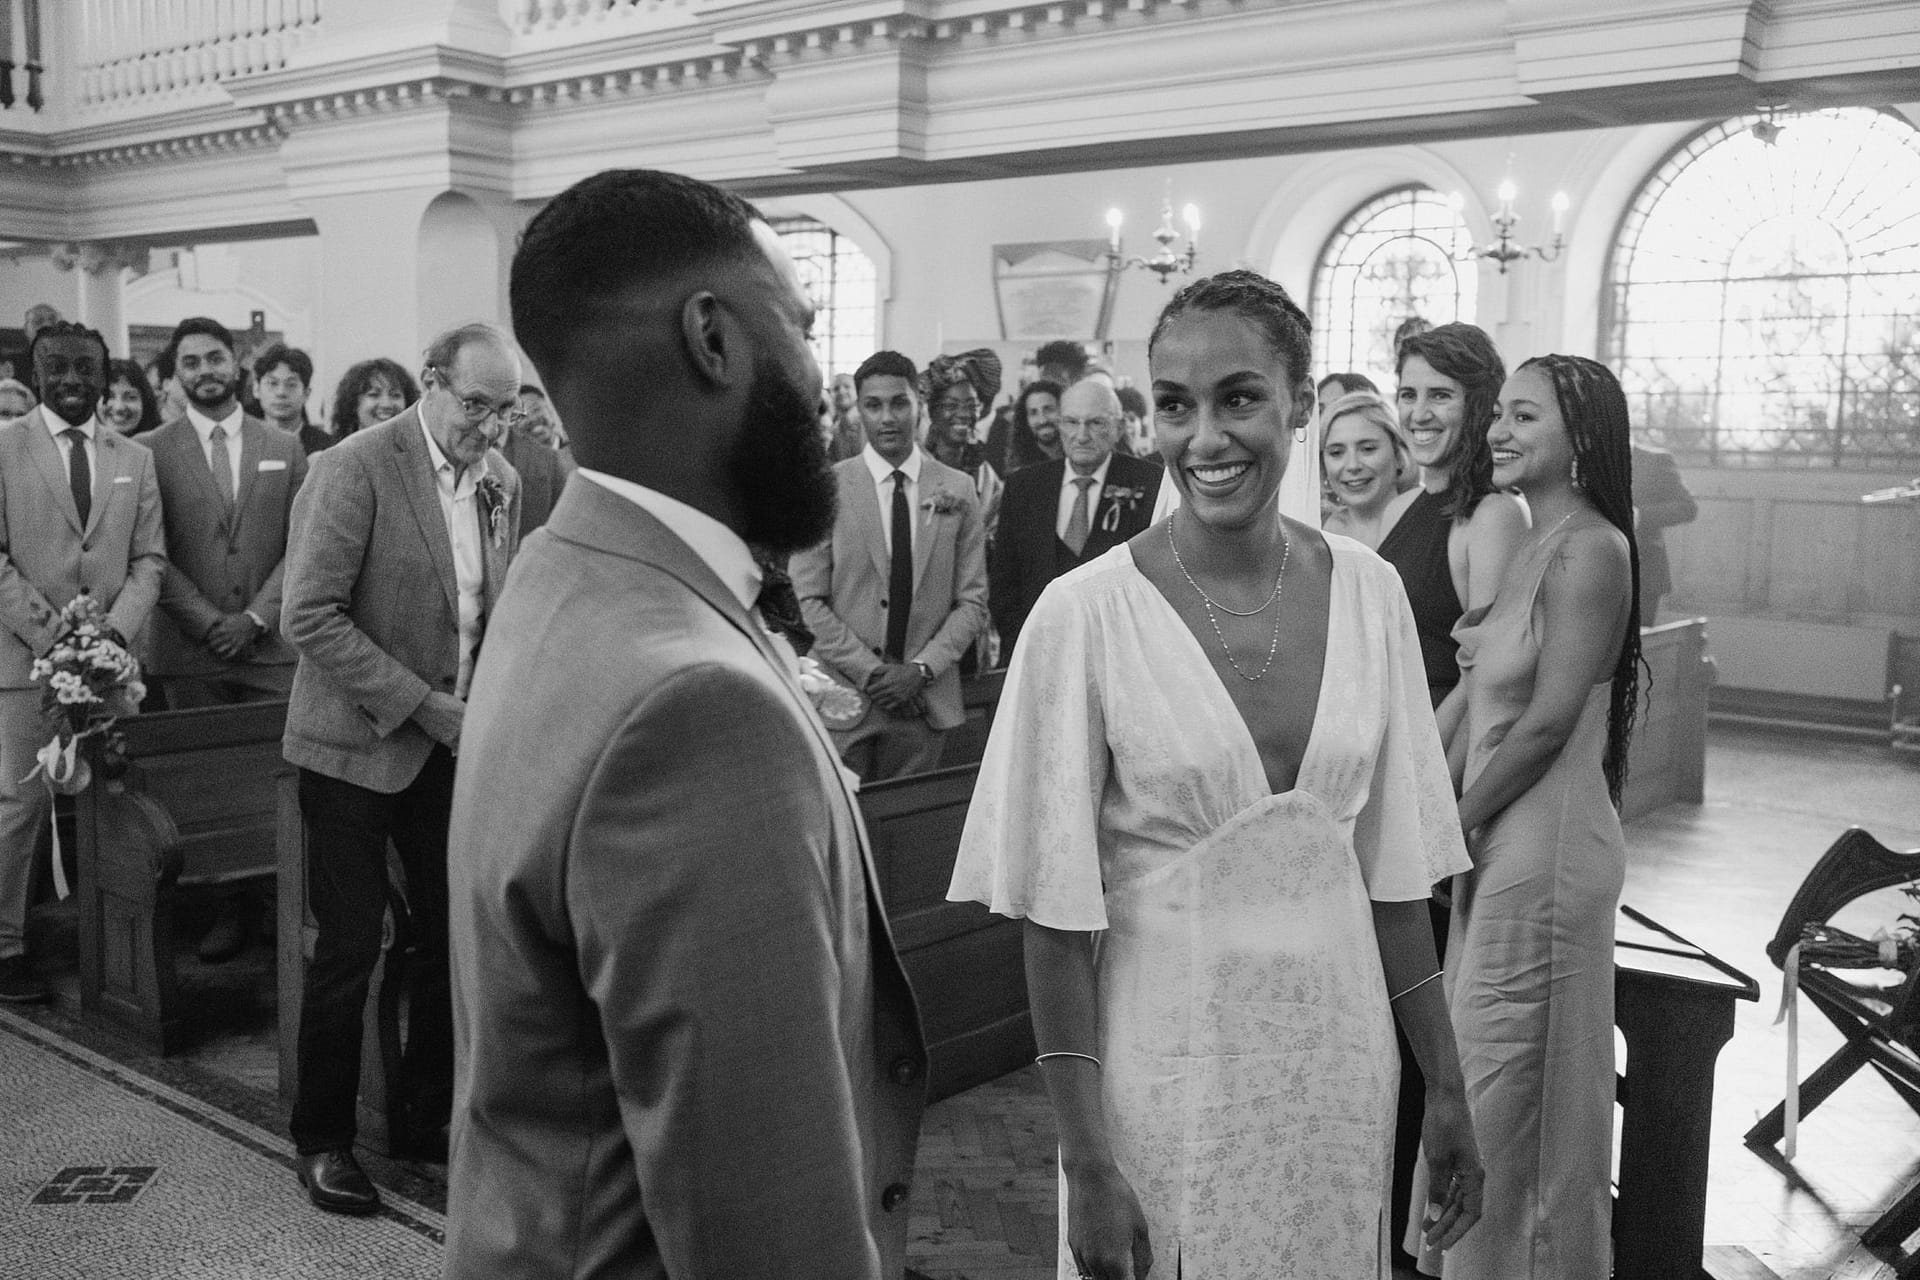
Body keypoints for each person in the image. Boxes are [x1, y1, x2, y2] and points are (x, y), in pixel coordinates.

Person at [949, 270, 1483, 1279]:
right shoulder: (1084, 613)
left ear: (1298, 401)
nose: (1204, 437)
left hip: (1339, 1069)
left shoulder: (1370, 594)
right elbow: (1056, 928)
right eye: (1176, 405)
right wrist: (1088, 1160)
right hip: (1163, 1076)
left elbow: (1398, 881)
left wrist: (1446, 1085)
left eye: (1238, 397)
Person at [444, 167, 925, 1280]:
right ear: (714, 337)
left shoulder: (562, 573)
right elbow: (769, 1233)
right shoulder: (694, 710)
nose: (828, 381)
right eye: (804, 330)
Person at [279, 322, 524, 1214]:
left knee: (447, 943)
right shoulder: (356, 465)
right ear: (431, 381)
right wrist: (427, 704)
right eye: (475, 405)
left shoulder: (503, 481)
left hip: (449, 749)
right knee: (347, 950)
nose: (490, 427)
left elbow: (486, 617)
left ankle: (424, 1119)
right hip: (351, 747)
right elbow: (308, 616)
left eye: (504, 411)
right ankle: (323, 1139)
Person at [1409, 354, 1641, 1279]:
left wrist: (1455, 818)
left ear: (1580, 439)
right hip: (1500, 840)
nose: (1499, 431)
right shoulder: (1535, 542)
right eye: (1499, 414)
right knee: (1484, 1080)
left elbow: (1546, 723)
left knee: (1518, 1095)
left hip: (1544, 847)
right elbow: (1479, 699)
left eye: (1525, 418)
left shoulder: (1594, 547)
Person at [0, 321, 165, 1004]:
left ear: (105, 376)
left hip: (111, 664)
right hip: (23, 660)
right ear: (36, 375)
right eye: (58, 368)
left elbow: (149, 559)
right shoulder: (5, 448)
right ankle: (5, 942)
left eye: (86, 370)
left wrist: (113, 639)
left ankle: (110, 940)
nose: (73, 381)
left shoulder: (134, 456)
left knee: (112, 795)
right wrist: (55, 640)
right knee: (20, 802)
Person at [792, 350, 988, 782]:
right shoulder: (829, 487)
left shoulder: (957, 489)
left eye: (899, 403)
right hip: (842, 697)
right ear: (859, 409)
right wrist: (874, 672)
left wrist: (920, 671)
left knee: (909, 836)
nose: (887, 418)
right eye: (873, 405)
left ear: (919, 404)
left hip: (924, 703)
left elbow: (972, 602)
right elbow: (808, 598)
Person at [1386, 324, 1529, 707]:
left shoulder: (1494, 515)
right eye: (1408, 395)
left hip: (1439, 736)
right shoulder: (1403, 506)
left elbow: (1483, 674)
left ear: (1478, 405)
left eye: (1440, 395)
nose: (1419, 413)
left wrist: (1425, 762)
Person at [990, 377, 1162, 657]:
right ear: (1059, 426)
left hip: (1123, 656)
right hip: (1038, 654)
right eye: (1071, 422)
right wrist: (1026, 647)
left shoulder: (1151, 483)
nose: (1081, 435)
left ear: (1119, 428)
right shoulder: (1024, 487)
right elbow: (1004, 584)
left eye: (1095, 423)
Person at [923, 348, 1007, 541]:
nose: (963, 414)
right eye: (951, 406)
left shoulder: (986, 477)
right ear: (933, 412)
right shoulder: (918, 469)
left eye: (971, 406)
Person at [1321, 390, 1415, 548]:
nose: (1353, 466)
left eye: (1368, 449)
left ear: (1399, 455)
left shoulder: (1430, 522)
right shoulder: (1312, 528)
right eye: (1336, 453)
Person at [988, 340, 1087, 475]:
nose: (1050, 392)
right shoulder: (1008, 424)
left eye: (1059, 387)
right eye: (1045, 382)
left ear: (1077, 382)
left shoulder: (1092, 425)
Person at [1631, 441, 1697, 622]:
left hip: (1643, 573)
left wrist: (1640, 515)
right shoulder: (1585, 459)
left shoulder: (1656, 460)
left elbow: (1687, 508)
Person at [250, 344, 328, 455]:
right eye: (272, 383)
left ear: (306, 393)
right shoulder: (241, 444)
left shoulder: (328, 448)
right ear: (256, 389)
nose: (281, 392)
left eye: (291, 384)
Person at [325, 357, 417, 446]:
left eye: (395, 395)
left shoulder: (419, 456)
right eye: (374, 395)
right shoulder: (336, 456)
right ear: (353, 404)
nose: (386, 404)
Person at [1003, 378, 1065, 474]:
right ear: (1025, 419)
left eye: (1048, 409)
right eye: (1033, 413)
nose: (1042, 420)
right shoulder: (1021, 472)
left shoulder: (1080, 459)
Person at [101, 359, 161, 436]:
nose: (119, 407)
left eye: (130, 397)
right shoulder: (82, 445)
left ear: (145, 402)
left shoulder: (165, 444)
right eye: (109, 396)